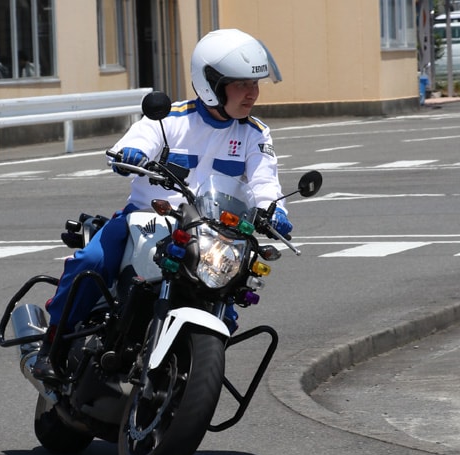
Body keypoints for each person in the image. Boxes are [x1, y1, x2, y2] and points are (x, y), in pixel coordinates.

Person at [32, 28, 293, 381]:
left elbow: (264, 182)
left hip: (210, 234)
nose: (252, 93)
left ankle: (190, 373)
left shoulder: (254, 134)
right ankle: (52, 347)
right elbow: (134, 143)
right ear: (211, 84)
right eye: (241, 84)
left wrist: (275, 210)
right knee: (90, 262)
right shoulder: (169, 119)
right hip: (147, 221)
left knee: (229, 295)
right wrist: (132, 154)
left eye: (255, 84)